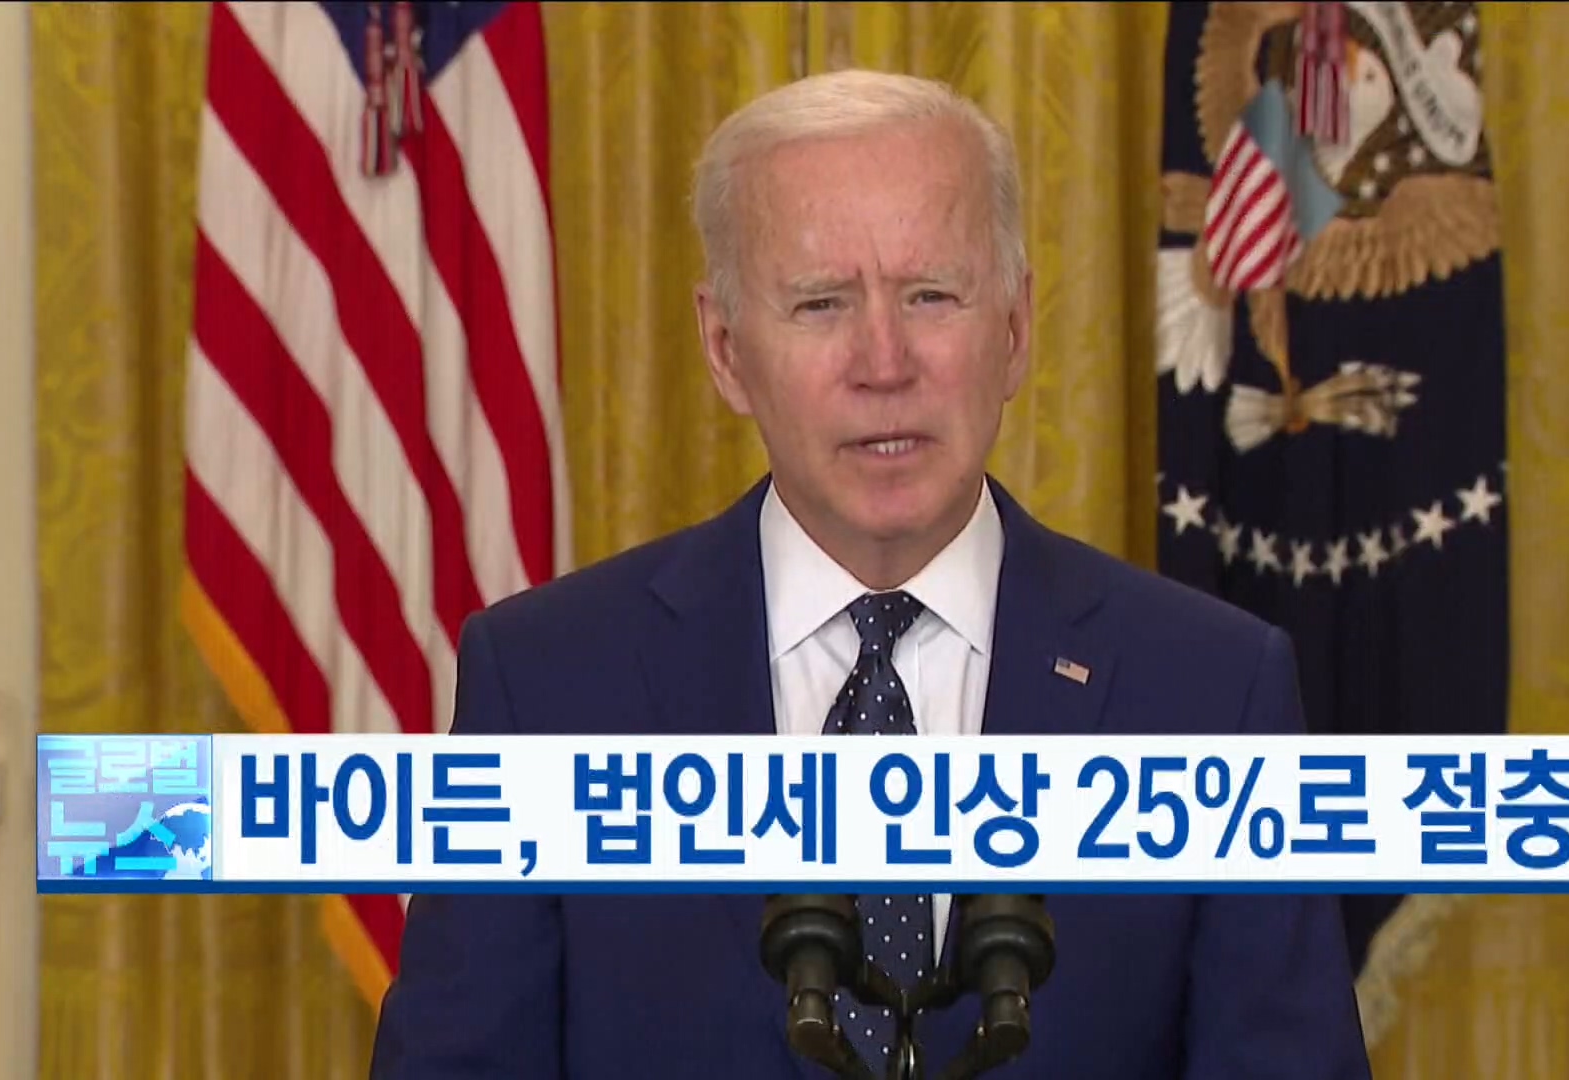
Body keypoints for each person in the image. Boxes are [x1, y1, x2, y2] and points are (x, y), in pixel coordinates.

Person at [369, 69, 1370, 1079]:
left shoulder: (1211, 692)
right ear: (725, 349)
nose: (884, 363)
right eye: (820, 304)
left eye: (931, 295)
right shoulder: (547, 687)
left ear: (1015, 328)